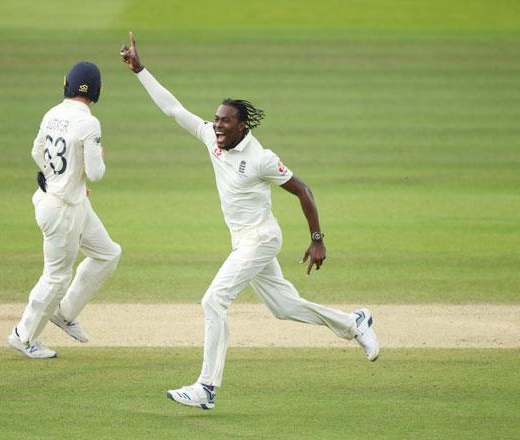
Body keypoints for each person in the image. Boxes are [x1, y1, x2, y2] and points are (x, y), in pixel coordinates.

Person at [119, 33, 379, 409]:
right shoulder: (212, 137)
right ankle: (355, 322)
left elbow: (304, 190)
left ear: (242, 126)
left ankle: (207, 387)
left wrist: (317, 238)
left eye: (226, 121)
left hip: (262, 238)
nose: (218, 126)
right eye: (217, 120)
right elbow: (174, 110)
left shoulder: (260, 157)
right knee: (284, 307)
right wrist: (140, 70)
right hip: (243, 241)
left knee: (213, 300)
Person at [8, 61, 122, 359]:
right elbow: (96, 173)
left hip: (69, 201)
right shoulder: (89, 123)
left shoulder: (53, 114)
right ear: (98, 91)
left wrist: (57, 176)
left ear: (65, 83)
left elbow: (36, 151)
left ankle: (64, 313)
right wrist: (80, 171)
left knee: (108, 254)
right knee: (57, 277)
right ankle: (24, 336)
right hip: (62, 210)